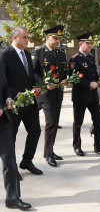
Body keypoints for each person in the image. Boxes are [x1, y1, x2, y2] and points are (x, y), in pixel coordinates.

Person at [0, 27, 43, 176]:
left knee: (35, 131)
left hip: (29, 102)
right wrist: (14, 94)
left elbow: (30, 77)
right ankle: (12, 169)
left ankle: (27, 161)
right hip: (14, 103)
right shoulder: (4, 55)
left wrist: (36, 87)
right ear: (15, 38)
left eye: (27, 37)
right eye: (24, 37)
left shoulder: (27, 54)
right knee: (11, 136)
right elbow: (3, 82)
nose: (27, 40)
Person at [31, 25, 69, 167]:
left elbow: (63, 72)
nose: (58, 40)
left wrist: (65, 80)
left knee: (54, 123)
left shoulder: (60, 53)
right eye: (55, 38)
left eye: (59, 38)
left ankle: (50, 150)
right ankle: (48, 153)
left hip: (58, 93)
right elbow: (32, 73)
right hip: (45, 94)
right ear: (47, 38)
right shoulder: (39, 52)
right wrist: (43, 83)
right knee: (51, 123)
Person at [69, 32, 100, 156]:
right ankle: (77, 146)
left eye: (91, 43)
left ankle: (98, 146)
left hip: (93, 95)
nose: (90, 45)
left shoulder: (91, 57)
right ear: (81, 44)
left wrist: (99, 80)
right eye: (87, 43)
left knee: (98, 120)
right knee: (78, 122)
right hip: (80, 96)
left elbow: (94, 74)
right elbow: (73, 78)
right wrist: (88, 84)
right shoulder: (75, 59)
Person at [0, 64, 32, 210]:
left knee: (10, 161)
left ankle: (12, 197)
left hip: (3, 122)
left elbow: (4, 85)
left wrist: (8, 97)